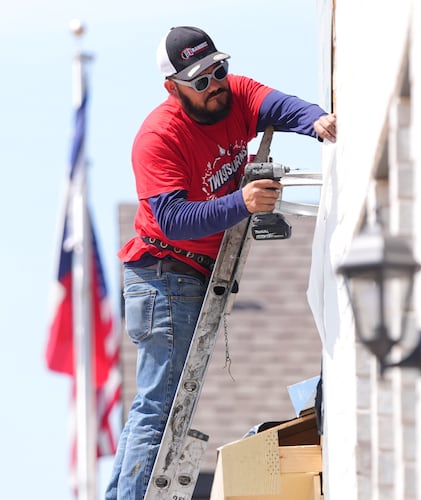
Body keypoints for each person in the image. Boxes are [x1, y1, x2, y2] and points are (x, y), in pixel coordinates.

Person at [105, 25, 336, 499]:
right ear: (173, 88)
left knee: (161, 408)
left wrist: (318, 122)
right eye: (200, 81)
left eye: (218, 71)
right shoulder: (159, 137)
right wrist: (243, 204)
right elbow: (172, 219)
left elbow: (282, 107)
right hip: (163, 276)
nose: (215, 87)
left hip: (190, 275)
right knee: (158, 409)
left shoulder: (237, 95)